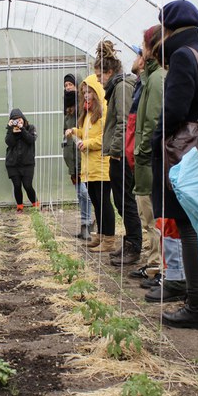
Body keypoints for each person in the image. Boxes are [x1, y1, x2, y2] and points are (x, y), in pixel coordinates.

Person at [149, 0, 198, 330]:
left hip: (186, 154)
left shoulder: (181, 57)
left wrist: (156, 138)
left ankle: (196, 307)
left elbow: (176, 110)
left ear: (169, 30)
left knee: (192, 226)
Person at [94, 41, 143, 264]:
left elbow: (124, 122)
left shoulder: (122, 87)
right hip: (120, 153)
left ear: (110, 72)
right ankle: (131, 242)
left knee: (126, 202)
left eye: (99, 75)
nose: (98, 80)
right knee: (122, 201)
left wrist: (117, 151)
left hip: (122, 154)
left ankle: (134, 246)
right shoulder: (117, 87)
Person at [128, 26, 165, 281]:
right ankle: (154, 263)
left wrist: (141, 151)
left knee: (151, 215)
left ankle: (158, 266)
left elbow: (152, 121)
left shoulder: (156, 79)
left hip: (148, 160)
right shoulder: (144, 82)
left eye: (140, 49)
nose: (137, 55)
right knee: (147, 214)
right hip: (142, 159)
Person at [66, 77, 114, 252]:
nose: (86, 96)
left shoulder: (103, 114)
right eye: (84, 92)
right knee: (96, 202)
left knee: (104, 203)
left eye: (89, 92)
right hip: (90, 168)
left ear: (97, 93)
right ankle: (101, 236)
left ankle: (109, 240)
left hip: (101, 167)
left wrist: (86, 144)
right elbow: (87, 135)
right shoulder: (88, 114)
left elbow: (104, 139)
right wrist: (74, 132)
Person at [63, 74, 94, 240]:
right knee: (79, 193)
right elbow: (65, 132)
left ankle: (89, 223)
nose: (68, 88)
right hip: (72, 157)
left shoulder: (84, 107)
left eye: (71, 85)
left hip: (84, 154)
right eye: (66, 85)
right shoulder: (68, 109)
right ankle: (85, 225)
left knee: (85, 192)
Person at [5, 109, 40, 212]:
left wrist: (22, 129)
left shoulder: (30, 128)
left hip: (27, 163)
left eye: (19, 119)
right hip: (12, 163)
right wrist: (11, 130)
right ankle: (19, 207)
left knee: (27, 185)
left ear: (23, 119)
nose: (18, 122)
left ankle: (36, 204)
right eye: (14, 120)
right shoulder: (10, 130)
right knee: (17, 185)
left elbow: (31, 140)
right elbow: (9, 142)